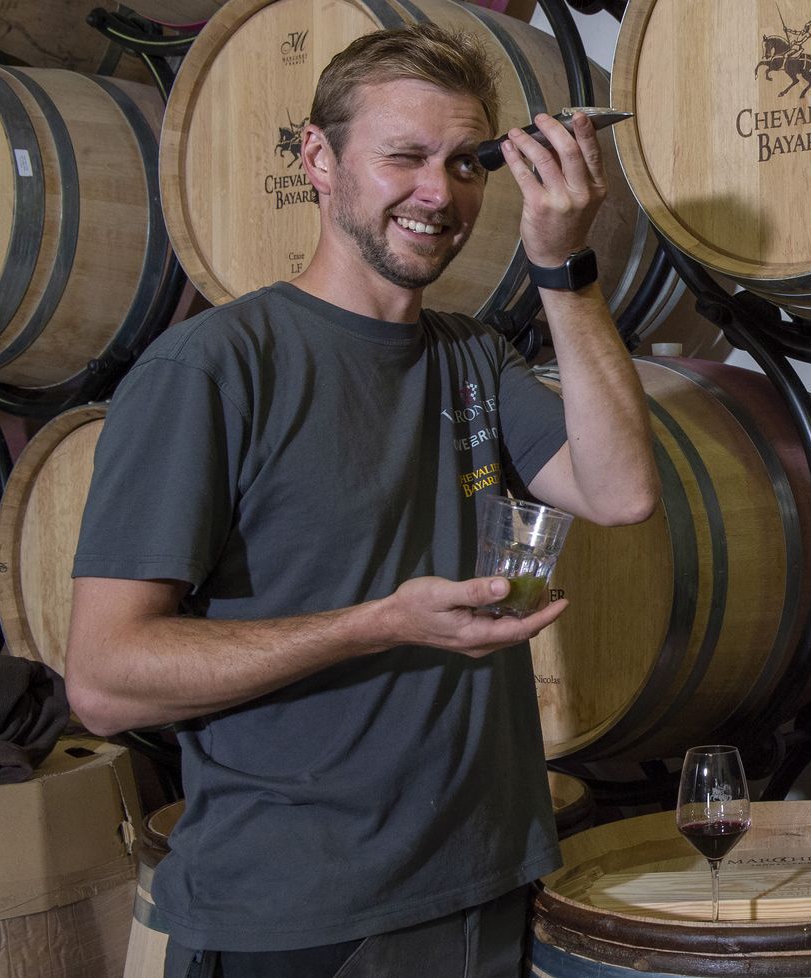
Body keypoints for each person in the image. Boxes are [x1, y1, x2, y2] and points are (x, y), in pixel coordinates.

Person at [64, 23, 658, 978]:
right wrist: (377, 624)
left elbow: (622, 493)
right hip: (301, 917)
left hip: (485, 885)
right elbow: (103, 678)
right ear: (318, 159)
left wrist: (563, 269)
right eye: (404, 157)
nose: (440, 193)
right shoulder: (213, 370)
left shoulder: (473, 355)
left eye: (466, 162)